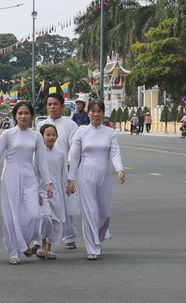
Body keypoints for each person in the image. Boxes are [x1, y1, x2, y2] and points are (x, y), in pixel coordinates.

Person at [0, 101, 53, 265]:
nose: (23, 116)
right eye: (20, 113)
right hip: (11, 176)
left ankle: (24, 242)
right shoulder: (7, 134)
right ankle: (15, 252)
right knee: (12, 215)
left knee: (34, 215)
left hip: (30, 177)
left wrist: (48, 182)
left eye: (26, 113)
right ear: (15, 115)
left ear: (31, 116)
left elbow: (42, 162)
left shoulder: (36, 136)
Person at [66, 100, 125, 261]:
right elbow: (74, 156)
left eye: (99, 111)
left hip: (104, 175)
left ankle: (97, 237)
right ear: (88, 113)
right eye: (93, 111)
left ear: (103, 113)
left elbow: (115, 153)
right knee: (89, 211)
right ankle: (92, 247)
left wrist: (119, 168)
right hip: (86, 174)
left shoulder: (109, 132)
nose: (96, 114)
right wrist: (70, 178)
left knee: (104, 213)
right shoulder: (81, 131)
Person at [36, 93, 79, 251]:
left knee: (67, 205)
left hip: (64, 169)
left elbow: (74, 148)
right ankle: (44, 241)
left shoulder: (70, 125)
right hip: (46, 172)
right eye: (49, 104)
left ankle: (69, 237)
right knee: (47, 207)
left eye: (55, 104)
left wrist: (70, 165)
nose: (52, 107)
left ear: (62, 106)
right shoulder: (42, 124)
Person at [34, 124, 66, 260]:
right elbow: (33, 174)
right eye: (48, 134)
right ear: (41, 137)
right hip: (42, 191)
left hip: (57, 192)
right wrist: (35, 192)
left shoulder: (60, 154)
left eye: (53, 134)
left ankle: (49, 248)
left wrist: (68, 186)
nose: (51, 137)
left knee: (56, 221)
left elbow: (63, 173)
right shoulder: (36, 154)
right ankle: (40, 244)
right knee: (45, 218)